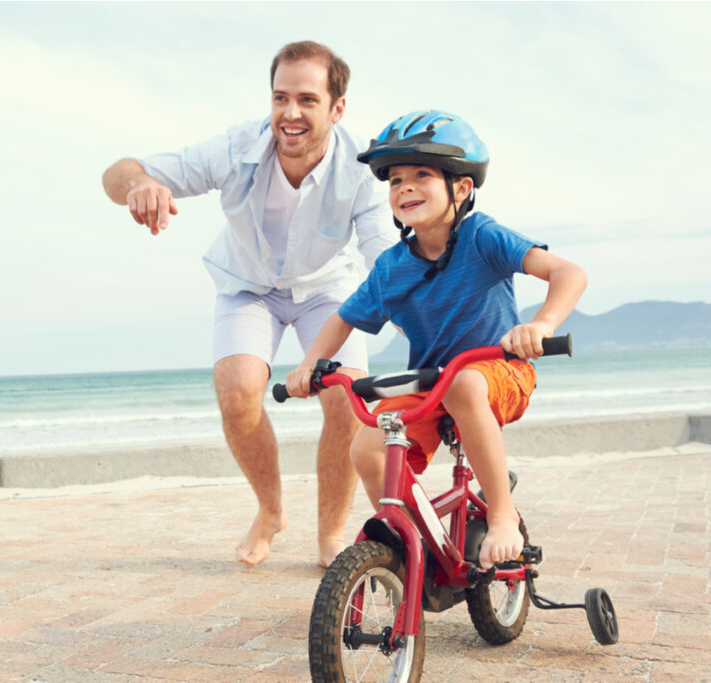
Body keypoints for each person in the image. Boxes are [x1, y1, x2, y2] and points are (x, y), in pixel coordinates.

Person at [102, 41, 394, 568]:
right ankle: (271, 510)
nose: (290, 113)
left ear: (337, 107)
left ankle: (330, 533)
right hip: (246, 285)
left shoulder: (363, 170)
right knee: (238, 392)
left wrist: (432, 302)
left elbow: (384, 258)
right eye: (280, 97)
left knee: (346, 402)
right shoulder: (237, 146)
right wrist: (139, 184)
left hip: (326, 289)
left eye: (307, 99)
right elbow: (117, 171)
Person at [285, 109, 588, 569]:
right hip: (431, 385)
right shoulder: (390, 267)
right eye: (395, 180)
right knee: (366, 446)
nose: (404, 187)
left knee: (465, 381)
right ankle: (414, 538)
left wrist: (541, 325)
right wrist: (311, 364)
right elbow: (341, 319)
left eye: (421, 175)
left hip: (498, 373)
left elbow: (569, 273)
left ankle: (503, 516)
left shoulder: (482, 235)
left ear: (462, 187)